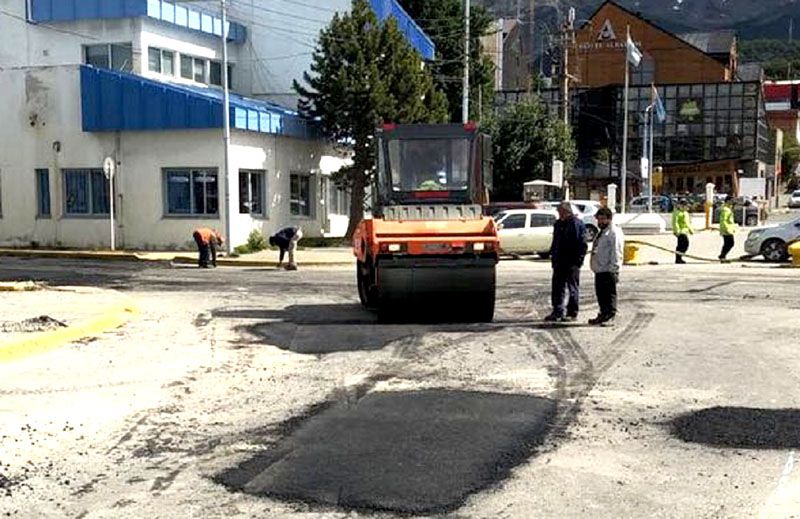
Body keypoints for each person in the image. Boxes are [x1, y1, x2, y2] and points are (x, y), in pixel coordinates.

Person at [544, 202, 588, 322]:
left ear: (567, 212)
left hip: (572, 262)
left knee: (572, 287)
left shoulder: (576, 224)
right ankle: (557, 310)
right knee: (557, 287)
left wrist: (579, 260)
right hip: (559, 261)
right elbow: (556, 241)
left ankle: (572, 312)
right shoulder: (558, 224)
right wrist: (553, 255)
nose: (560, 215)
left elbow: (582, 244)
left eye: (561, 212)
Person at [589, 207, 624, 326]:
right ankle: (603, 314)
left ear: (609, 219)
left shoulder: (614, 233)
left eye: (603, 219)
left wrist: (614, 269)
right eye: (598, 219)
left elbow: (617, 252)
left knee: (609, 294)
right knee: (601, 294)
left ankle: (610, 316)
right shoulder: (602, 232)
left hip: (609, 269)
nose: (600, 222)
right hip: (599, 269)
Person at [718, 196, 737, 261]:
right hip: (726, 230)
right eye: (731, 200)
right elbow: (723, 220)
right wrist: (726, 229)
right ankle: (722, 256)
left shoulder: (728, 209)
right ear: (728, 201)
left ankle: (722, 256)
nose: (733, 202)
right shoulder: (725, 209)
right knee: (730, 243)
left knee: (728, 243)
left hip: (729, 229)